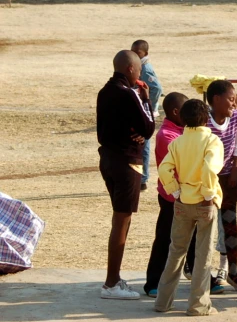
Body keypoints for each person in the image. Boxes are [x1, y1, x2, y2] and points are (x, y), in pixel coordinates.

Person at [154, 99, 224, 316]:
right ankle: (198, 305)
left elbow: (164, 168)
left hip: (183, 201)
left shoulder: (178, 142)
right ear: (206, 118)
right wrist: (208, 194)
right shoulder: (212, 141)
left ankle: (163, 302)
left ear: (183, 119)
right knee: (203, 255)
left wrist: (175, 191)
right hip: (205, 203)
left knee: (176, 252)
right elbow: (210, 170)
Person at [97, 50, 156, 300]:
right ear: (131, 69)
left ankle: (115, 277)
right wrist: (146, 100)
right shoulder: (128, 93)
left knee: (121, 219)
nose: (140, 76)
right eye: (139, 72)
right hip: (127, 163)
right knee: (122, 221)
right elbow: (149, 127)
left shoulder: (104, 91)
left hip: (108, 159)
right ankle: (111, 283)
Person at [144, 92, 192, 298]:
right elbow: (180, 164)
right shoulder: (167, 136)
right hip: (171, 196)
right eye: (186, 112)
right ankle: (153, 282)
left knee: (195, 238)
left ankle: (200, 276)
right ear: (175, 112)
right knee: (165, 239)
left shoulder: (184, 130)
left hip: (189, 195)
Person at [205, 80, 237, 292]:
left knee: (230, 226)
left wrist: (235, 167)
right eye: (230, 99)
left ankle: (232, 271)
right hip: (207, 181)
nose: (234, 104)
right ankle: (203, 273)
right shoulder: (204, 121)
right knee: (206, 227)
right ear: (216, 100)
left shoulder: (236, 118)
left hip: (227, 179)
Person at [130, 40, 163, 192]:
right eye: (133, 51)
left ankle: (142, 179)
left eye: (139, 52)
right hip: (139, 111)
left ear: (145, 54)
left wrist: (149, 104)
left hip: (145, 112)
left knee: (144, 146)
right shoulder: (137, 65)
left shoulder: (145, 68)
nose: (135, 54)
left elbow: (156, 88)